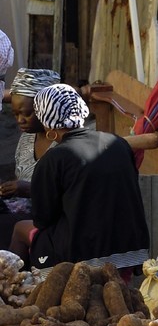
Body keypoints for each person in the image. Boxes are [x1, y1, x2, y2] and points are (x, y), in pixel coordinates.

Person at [23, 83, 149, 270]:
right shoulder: (119, 144)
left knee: (19, 229)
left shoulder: (53, 159)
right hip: (131, 252)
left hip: (83, 258)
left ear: (46, 122)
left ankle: (20, 290)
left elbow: (42, 219)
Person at [0, 67, 59, 246]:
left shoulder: (65, 143)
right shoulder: (27, 139)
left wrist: (30, 189)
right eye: (16, 114)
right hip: (26, 212)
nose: (20, 120)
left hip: (55, 221)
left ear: (47, 108)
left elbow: (71, 195)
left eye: (26, 114)